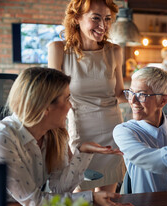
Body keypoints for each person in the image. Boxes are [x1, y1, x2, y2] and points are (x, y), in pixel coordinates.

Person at [0, 67, 134, 206]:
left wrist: (83, 152)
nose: (71, 106)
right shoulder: (2, 137)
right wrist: (91, 198)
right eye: (67, 99)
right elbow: (34, 201)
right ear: (45, 107)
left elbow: (60, 188)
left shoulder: (54, 134)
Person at [48, 0, 126, 193]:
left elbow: (119, 94)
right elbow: (52, 99)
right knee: (82, 201)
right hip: (82, 132)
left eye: (107, 19)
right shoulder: (59, 50)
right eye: (96, 18)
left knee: (108, 201)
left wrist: (143, 93)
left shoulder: (114, 51)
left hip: (112, 131)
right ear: (76, 18)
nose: (103, 26)